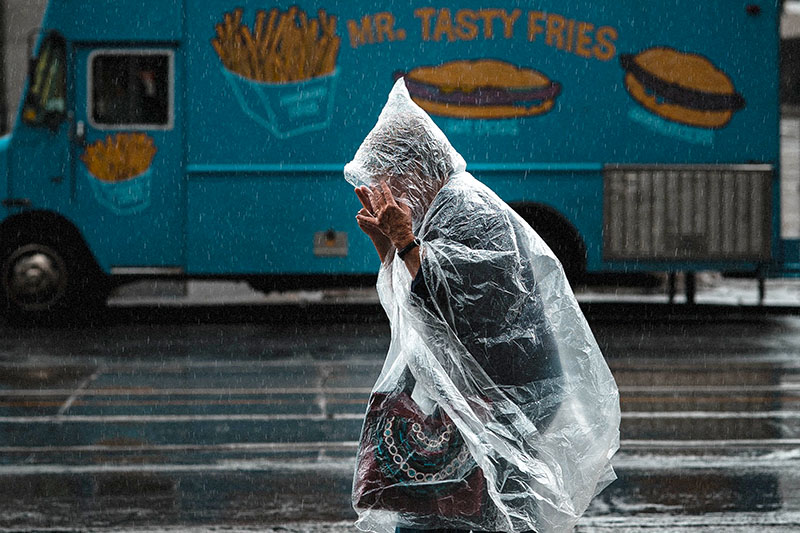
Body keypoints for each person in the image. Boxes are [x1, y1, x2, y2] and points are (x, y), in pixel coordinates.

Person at [346, 79, 620, 533]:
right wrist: (390, 249)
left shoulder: (467, 210)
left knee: (469, 512)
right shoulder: (438, 212)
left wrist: (406, 243)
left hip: (513, 393)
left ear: (418, 169)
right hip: (488, 393)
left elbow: (460, 295)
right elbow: (422, 312)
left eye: (387, 177)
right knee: (456, 509)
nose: (383, 189)